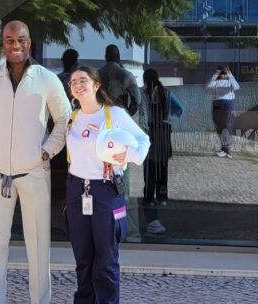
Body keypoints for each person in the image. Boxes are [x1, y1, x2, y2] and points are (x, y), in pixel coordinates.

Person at [0, 20, 72, 304]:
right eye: (10, 40)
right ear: (2, 43)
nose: (16, 45)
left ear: (30, 42)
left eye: (22, 40)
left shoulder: (47, 79)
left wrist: (46, 151)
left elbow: (64, 119)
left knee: (39, 248)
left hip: (34, 174)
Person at [65, 66, 149, 304]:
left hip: (105, 190)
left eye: (83, 80)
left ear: (96, 85)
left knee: (106, 260)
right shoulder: (71, 118)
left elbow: (144, 140)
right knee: (83, 259)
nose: (78, 85)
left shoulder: (114, 115)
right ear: (71, 91)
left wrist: (130, 155)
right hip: (76, 191)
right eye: (73, 83)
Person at [98, 45, 143, 242]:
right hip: (121, 132)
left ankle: (103, 227)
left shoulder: (97, 75)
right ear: (119, 56)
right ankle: (127, 230)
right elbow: (137, 100)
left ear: (105, 56)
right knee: (122, 180)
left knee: (98, 178)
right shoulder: (126, 75)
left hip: (100, 132)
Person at [142, 69, 184, 234]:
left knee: (150, 166)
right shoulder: (167, 93)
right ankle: (162, 197)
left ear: (145, 80)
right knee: (163, 165)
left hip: (151, 132)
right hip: (165, 131)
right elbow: (180, 110)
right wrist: (170, 115)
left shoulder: (144, 95)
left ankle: (149, 198)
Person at [208, 65, 240, 158]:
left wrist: (230, 74)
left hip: (227, 103)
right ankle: (223, 148)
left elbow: (237, 87)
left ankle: (227, 150)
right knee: (219, 126)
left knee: (226, 126)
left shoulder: (230, 81)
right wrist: (216, 73)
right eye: (221, 73)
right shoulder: (217, 82)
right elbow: (209, 85)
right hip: (217, 103)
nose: (223, 75)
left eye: (224, 73)